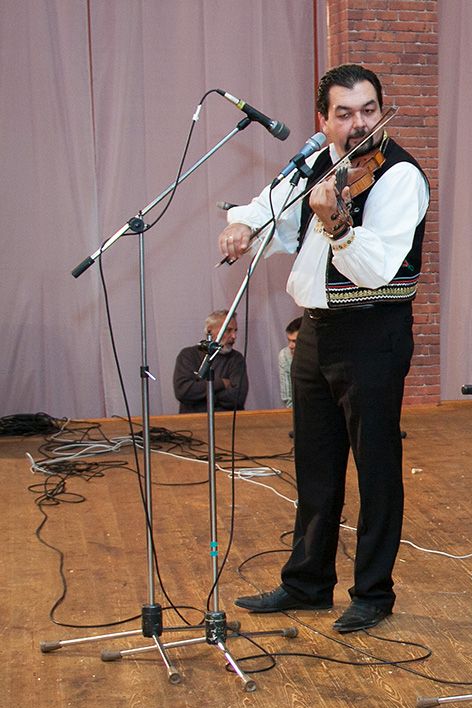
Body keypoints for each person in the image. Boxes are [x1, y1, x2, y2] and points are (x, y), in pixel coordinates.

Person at [223, 64, 430, 634]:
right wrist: (243, 227)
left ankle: (373, 593)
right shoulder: (320, 161)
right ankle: (307, 584)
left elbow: (374, 267)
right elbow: (272, 209)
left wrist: (336, 224)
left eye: (369, 110)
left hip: (372, 332)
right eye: (345, 113)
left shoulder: (399, 177)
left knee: (376, 468)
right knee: (315, 463)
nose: (359, 123)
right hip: (316, 331)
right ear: (324, 119)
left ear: (381, 110)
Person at [172, 309, 248, 413]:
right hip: (193, 420)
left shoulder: (236, 359)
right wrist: (221, 383)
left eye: (235, 331)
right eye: (228, 330)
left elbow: (238, 398)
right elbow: (183, 391)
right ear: (209, 331)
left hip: (227, 420)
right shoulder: (188, 355)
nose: (234, 336)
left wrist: (201, 397)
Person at [278, 316, 301, 408]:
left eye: (294, 341)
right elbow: (287, 398)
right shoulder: (285, 355)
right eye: (289, 340)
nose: (290, 346)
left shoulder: (317, 354)